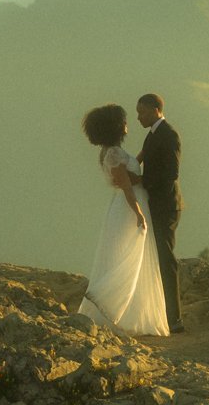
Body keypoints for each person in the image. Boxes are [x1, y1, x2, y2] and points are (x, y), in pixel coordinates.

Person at [75, 103, 169, 336]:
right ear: (116, 127)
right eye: (124, 122)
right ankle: (110, 305)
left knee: (125, 256)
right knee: (129, 257)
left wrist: (142, 156)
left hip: (126, 206)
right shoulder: (114, 153)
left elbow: (127, 173)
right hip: (130, 207)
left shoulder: (110, 152)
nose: (128, 124)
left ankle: (124, 311)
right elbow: (127, 185)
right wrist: (138, 214)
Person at [133, 93, 185, 333]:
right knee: (157, 259)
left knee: (166, 259)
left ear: (155, 110)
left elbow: (172, 173)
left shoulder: (169, 134)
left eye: (141, 112)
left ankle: (174, 319)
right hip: (156, 204)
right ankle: (162, 313)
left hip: (166, 206)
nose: (138, 117)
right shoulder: (152, 135)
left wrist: (142, 181)